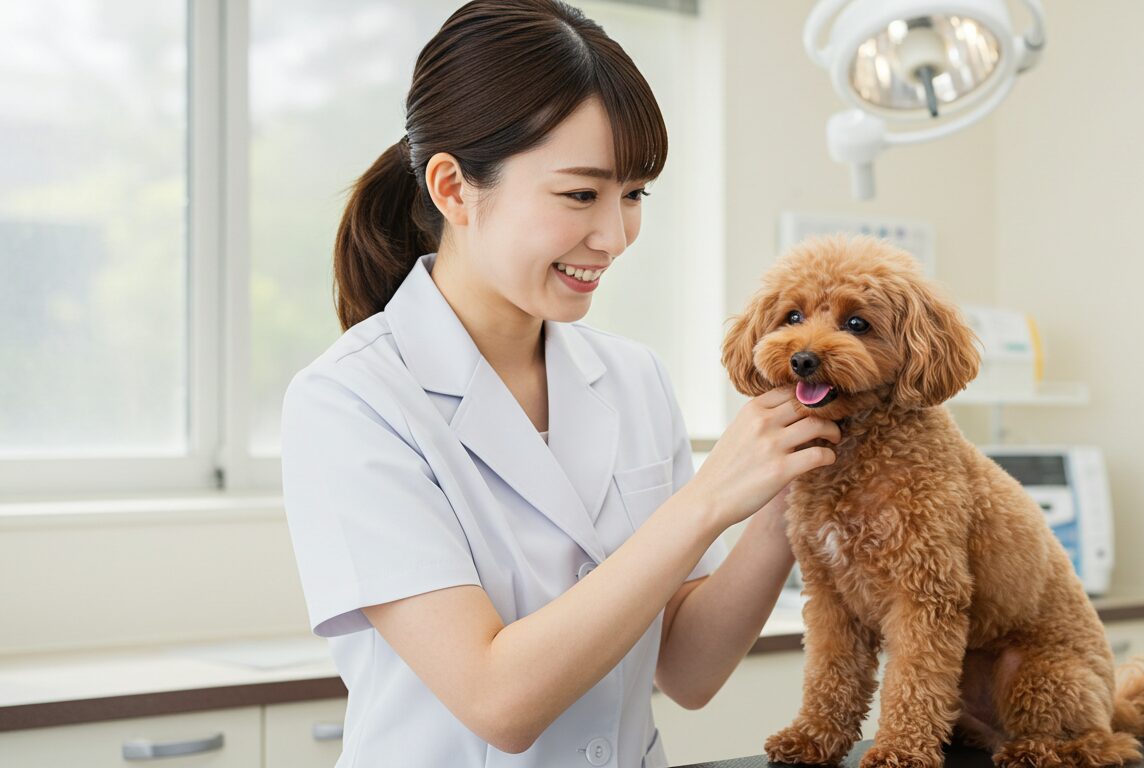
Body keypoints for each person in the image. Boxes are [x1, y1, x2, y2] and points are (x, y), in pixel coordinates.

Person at [278, 1, 840, 766]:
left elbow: (689, 670)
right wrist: (709, 500)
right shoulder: (352, 399)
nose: (613, 236)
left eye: (635, 194)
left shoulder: (632, 377)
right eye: (581, 194)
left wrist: (783, 491)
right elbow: (496, 702)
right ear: (452, 188)